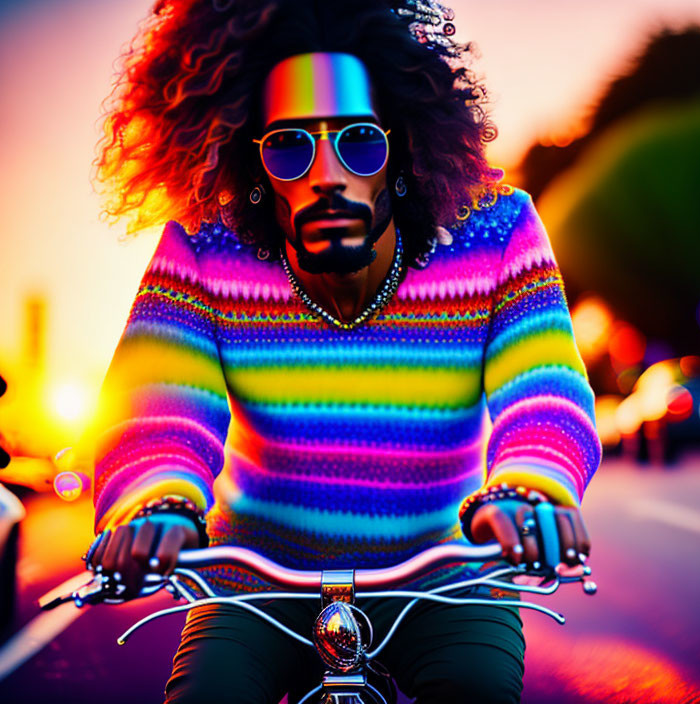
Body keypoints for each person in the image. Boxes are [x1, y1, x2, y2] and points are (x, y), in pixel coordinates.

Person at [84, 1, 600, 702]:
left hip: (447, 574)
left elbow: (544, 392)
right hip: (257, 578)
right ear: (255, 165)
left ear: (404, 148)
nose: (326, 173)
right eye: (290, 147)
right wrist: (156, 502)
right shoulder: (203, 246)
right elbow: (156, 406)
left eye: (357, 141)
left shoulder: (498, 229)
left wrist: (532, 489)